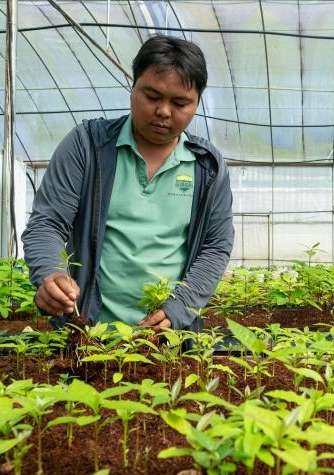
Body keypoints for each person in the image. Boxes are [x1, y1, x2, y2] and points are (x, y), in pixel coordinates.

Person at [22, 35, 233, 331]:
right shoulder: (88, 146)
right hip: (87, 331)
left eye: (180, 102)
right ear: (133, 87)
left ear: (196, 103)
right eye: (152, 96)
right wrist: (50, 273)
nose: (163, 111)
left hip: (167, 337)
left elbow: (216, 245)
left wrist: (181, 307)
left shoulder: (206, 166)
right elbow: (48, 221)